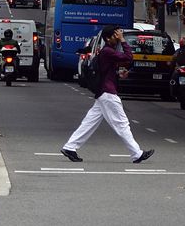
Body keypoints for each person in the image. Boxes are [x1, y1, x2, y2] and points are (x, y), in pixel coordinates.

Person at [61, 25, 154, 164]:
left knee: (89, 122)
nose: (117, 38)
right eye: (115, 36)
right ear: (108, 38)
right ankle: (137, 153)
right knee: (122, 123)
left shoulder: (107, 52)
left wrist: (118, 73)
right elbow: (129, 57)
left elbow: (109, 70)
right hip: (108, 93)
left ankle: (70, 147)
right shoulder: (107, 52)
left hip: (103, 93)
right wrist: (123, 41)